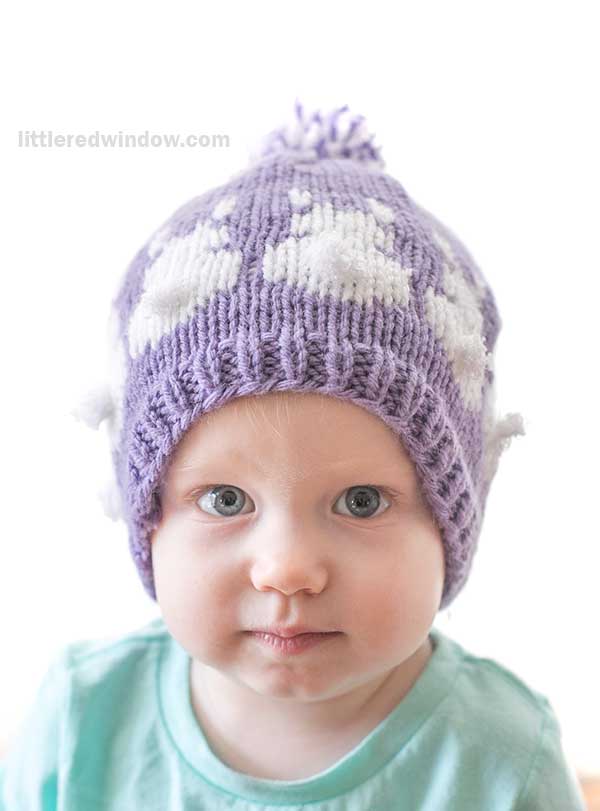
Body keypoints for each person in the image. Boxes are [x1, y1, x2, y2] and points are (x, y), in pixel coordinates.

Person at [0, 101, 586, 809]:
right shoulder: (81, 720)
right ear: (146, 517)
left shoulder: (502, 757)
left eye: (361, 500)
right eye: (224, 499)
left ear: (452, 520)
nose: (288, 569)